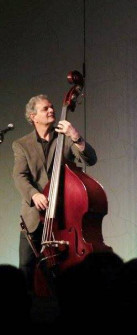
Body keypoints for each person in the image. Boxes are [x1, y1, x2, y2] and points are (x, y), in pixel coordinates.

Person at [12, 94, 97, 292]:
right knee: (26, 267)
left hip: (63, 215)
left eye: (52, 107)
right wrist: (34, 194)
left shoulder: (65, 139)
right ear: (33, 116)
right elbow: (20, 176)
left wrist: (75, 135)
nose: (51, 110)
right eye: (45, 109)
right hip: (35, 215)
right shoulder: (21, 144)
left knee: (69, 269)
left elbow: (90, 159)